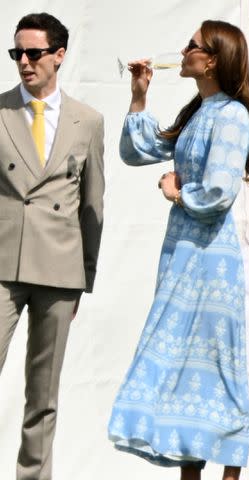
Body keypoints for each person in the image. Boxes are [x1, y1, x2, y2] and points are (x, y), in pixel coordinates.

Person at [108, 20, 249, 480]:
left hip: (211, 261)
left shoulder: (232, 114)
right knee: (179, 364)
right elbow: (140, 150)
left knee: (216, 367)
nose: (183, 50)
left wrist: (177, 191)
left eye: (191, 46)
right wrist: (139, 96)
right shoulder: (200, 112)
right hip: (183, 253)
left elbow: (219, 191)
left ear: (211, 59)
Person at [0, 12, 104, 480]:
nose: (24, 62)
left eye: (34, 53)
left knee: (43, 395)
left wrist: (85, 276)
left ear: (59, 56)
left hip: (60, 272)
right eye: (16, 52)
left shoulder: (88, 120)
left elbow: (93, 205)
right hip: (2, 263)